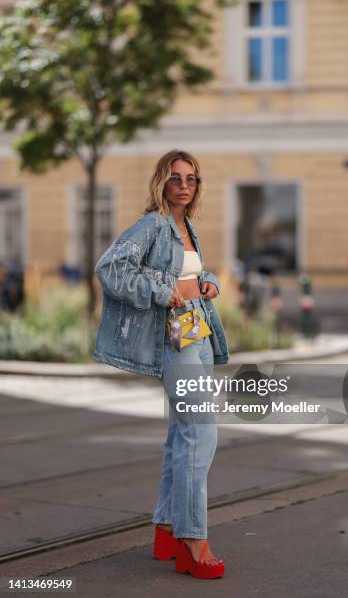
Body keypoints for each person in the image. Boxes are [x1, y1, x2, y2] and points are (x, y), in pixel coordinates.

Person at [93, 149, 229, 579]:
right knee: (200, 434)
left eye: (191, 178)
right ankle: (193, 540)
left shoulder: (185, 226)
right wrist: (162, 290)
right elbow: (110, 268)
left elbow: (189, 276)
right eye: (176, 178)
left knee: (180, 436)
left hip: (199, 337)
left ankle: (168, 529)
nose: (184, 185)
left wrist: (209, 282)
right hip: (176, 342)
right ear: (161, 182)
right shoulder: (152, 223)